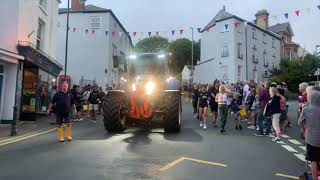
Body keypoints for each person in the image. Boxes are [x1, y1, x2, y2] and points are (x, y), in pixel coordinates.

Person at [298, 90, 320, 180]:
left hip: (312, 137)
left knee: (313, 160)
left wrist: (304, 129)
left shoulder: (306, 109)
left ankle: (315, 178)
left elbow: (300, 123)